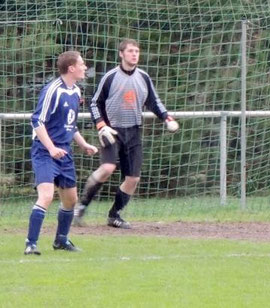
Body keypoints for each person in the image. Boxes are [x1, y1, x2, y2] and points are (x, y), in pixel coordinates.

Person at [73, 38, 179, 229]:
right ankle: (81, 207)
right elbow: (95, 103)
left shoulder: (143, 77)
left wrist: (166, 117)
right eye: (130, 51)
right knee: (107, 169)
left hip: (133, 131)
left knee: (133, 179)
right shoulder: (111, 76)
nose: (134, 54)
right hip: (111, 131)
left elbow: (154, 101)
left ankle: (114, 215)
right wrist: (101, 126)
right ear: (121, 54)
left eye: (137, 51)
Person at [24, 51, 99, 255]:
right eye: (82, 64)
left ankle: (61, 240)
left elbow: (70, 125)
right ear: (71, 68)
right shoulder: (53, 90)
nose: (85, 67)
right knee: (46, 196)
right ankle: (31, 244)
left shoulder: (75, 91)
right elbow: (37, 121)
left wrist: (84, 144)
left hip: (64, 153)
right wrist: (51, 148)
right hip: (45, 151)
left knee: (71, 200)